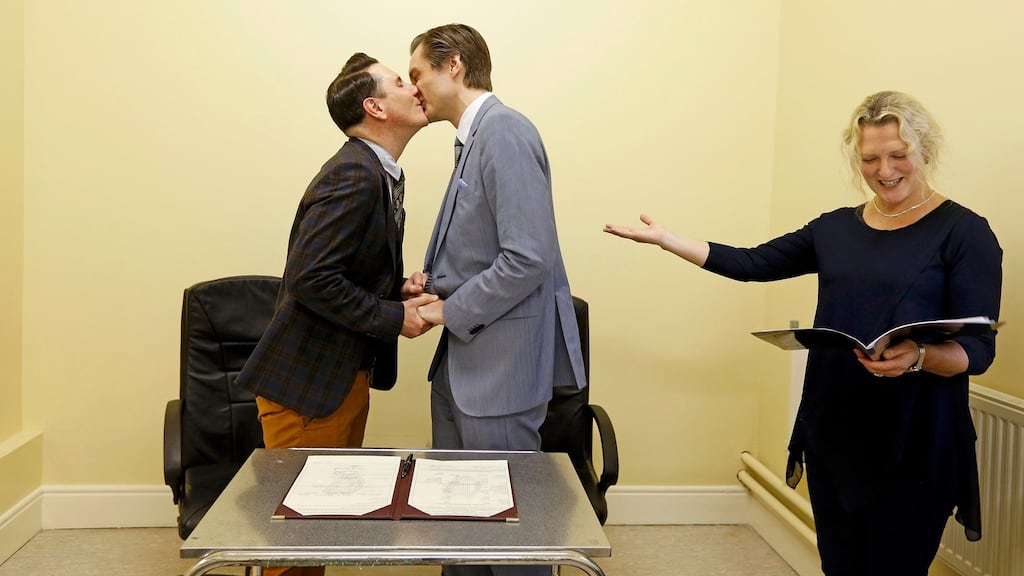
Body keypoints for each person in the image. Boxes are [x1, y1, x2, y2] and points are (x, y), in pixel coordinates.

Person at [604, 91, 1002, 576]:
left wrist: (918, 354)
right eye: (870, 158)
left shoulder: (965, 232)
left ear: (926, 151)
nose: (885, 169)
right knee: (840, 566)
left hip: (916, 442)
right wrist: (670, 240)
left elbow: (978, 350)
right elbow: (752, 263)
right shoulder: (835, 229)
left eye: (899, 155)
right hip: (835, 432)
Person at [237, 53, 437, 576]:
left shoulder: (379, 170)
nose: (414, 87)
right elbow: (310, 279)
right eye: (400, 82)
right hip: (309, 386)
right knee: (297, 540)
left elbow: (339, 270)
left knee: (319, 531)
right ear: (375, 107)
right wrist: (395, 317)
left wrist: (396, 288)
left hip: (340, 376)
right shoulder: (354, 172)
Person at [407, 23, 587, 576]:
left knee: (509, 543)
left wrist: (445, 310)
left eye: (417, 75)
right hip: (464, 367)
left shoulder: (504, 131)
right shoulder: (473, 139)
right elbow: (488, 250)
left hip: (499, 371)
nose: (413, 89)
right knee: (459, 530)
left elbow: (527, 258)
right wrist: (433, 283)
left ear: (453, 65)